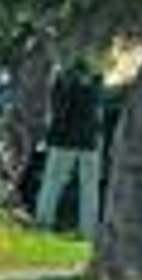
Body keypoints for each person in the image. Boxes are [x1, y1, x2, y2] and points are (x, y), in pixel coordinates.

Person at [35, 61, 104, 239]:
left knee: (52, 183)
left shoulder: (63, 80)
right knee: (90, 188)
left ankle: (43, 224)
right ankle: (88, 230)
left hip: (64, 140)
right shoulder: (97, 80)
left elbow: (58, 111)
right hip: (90, 140)